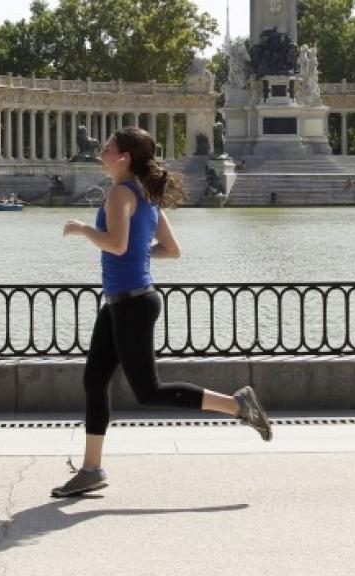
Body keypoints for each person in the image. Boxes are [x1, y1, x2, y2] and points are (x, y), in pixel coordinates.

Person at [56, 126, 272, 498]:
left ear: (123, 158)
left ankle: (237, 404)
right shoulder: (146, 194)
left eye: (107, 148)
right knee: (94, 380)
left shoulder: (120, 192)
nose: (100, 153)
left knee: (148, 391)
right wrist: (132, 251)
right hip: (124, 300)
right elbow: (170, 250)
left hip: (132, 302)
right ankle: (91, 468)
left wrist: (83, 231)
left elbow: (118, 245)